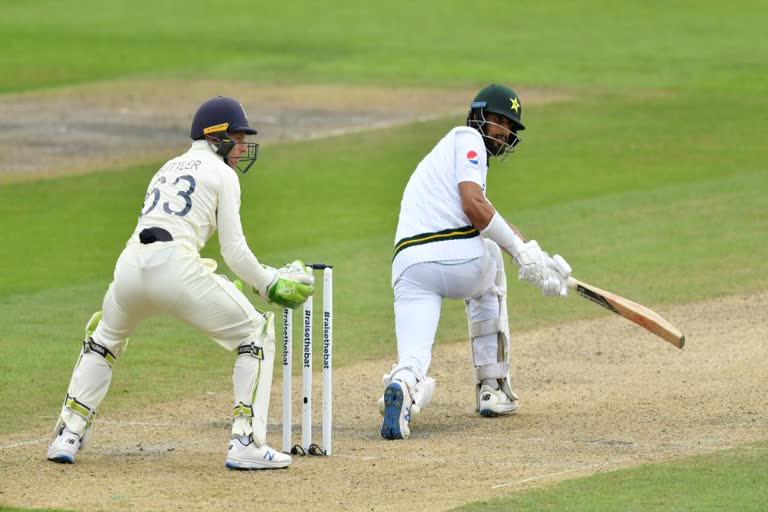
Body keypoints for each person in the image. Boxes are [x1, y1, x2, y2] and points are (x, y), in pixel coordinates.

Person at [47, 96, 315, 469]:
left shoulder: (167, 167)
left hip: (129, 268)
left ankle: (67, 436)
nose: (242, 147)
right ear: (215, 136)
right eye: (237, 138)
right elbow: (235, 252)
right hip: (176, 271)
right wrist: (270, 283)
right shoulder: (223, 175)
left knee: (104, 337)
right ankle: (246, 444)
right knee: (255, 332)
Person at [379, 84, 573, 440]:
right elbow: (474, 205)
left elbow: (484, 211)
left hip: (409, 266)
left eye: (510, 126)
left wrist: (533, 252)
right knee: (492, 259)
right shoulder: (467, 139)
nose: (504, 131)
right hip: (453, 259)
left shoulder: (440, 159)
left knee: (412, 360)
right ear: (478, 116)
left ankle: (403, 389)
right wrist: (518, 251)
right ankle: (492, 387)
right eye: (499, 120)